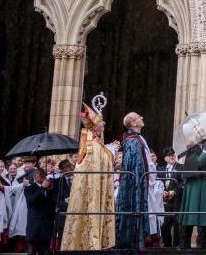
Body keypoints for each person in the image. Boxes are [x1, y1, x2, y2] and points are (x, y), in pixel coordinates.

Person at [60, 103, 116, 251]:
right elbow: (98, 162)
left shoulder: (95, 140)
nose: (103, 125)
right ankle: (90, 240)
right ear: (95, 126)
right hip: (91, 185)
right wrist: (112, 152)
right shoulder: (90, 143)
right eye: (101, 123)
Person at [115, 112, 151, 249]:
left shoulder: (138, 139)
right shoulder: (132, 141)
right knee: (132, 210)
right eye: (138, 117)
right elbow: (133, 166)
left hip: (141, 183)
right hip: (134, 185)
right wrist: (138, 184)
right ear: (134, 123)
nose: (142, 117)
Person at [178, 143, 206, 249]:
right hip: (194, 188)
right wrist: (205, 151)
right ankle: (185, 246)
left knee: (204, 218)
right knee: (190, 217)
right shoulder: (191, 149)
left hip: (204, 187)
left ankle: (204, 245)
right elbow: (197, 163)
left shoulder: (203, 150)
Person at [22, 169, 56, 255]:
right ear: (34, 177)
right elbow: (31, 201)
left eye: (43, 174)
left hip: (46, 227)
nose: (42, 176)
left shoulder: (49, 188)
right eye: (40, 174)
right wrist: (42, 188)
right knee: (32, 252)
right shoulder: (29, 188)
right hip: (34, 229)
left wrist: (47, 187)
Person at [158, 148, 181, 248]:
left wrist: (174, 191)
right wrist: (161, 191)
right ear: (164, 158)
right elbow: (156, 183)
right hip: (164, 202)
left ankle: (176, 248)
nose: (171, 156)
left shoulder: (181, 167)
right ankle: (167, 247)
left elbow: (184, 182)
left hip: (176, 201)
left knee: (177, 226)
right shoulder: (160, 169)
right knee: (165, 226)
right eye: (168, 155)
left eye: (172, 154)